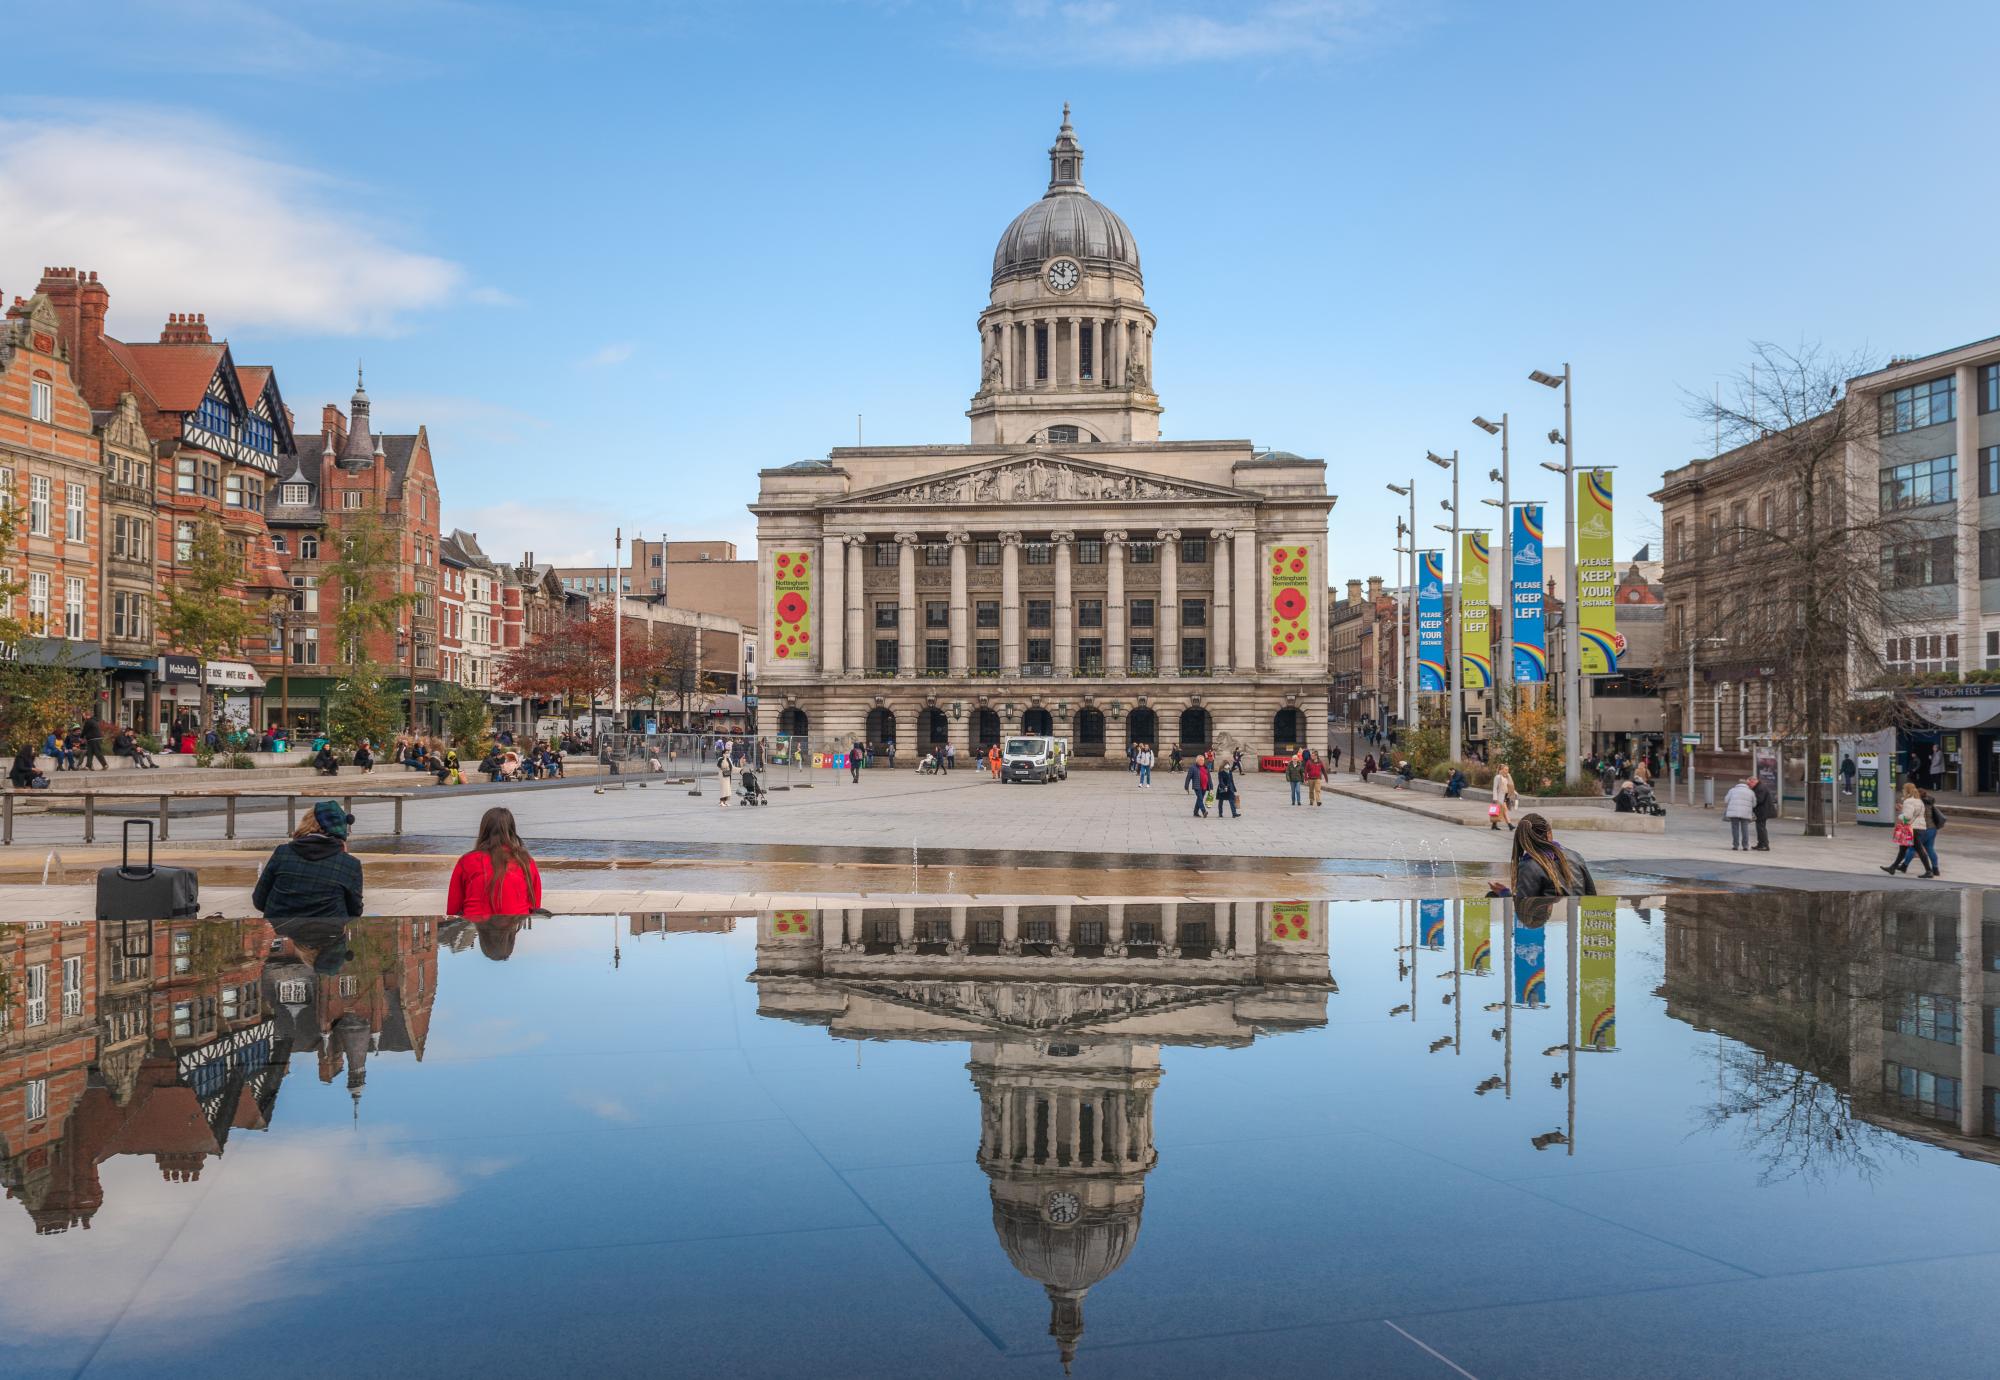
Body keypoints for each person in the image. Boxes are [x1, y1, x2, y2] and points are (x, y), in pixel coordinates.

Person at [252, 801, 364, 919]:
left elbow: (259, 901)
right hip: (328, 934)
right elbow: (355, 911)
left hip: (282, 932)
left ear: (306, 822)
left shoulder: (282, 853)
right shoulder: (350, 864)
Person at [447, 806, 543, 918]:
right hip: (513, 923)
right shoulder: (525, 860)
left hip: (476, 924)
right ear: (511, 831)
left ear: (484, 830)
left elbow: (453, 908)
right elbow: (534, 905)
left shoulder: (467, 861)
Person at [1493, 813, 1598, 897]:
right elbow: (1592, 895)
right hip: (1574, 920)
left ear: (1523, 839)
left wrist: (1505, 894)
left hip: (1550, 922)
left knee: (1491, 896)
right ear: (1549, 833)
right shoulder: (1575, 856)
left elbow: (1524, 910)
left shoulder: (1529, 866)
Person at [1882, 782, 1935, 877]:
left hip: (1912, 829)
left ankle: (1929, 871)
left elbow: (1908, 816)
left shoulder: (1908, 801)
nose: (1902, 791)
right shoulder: (1919, 801)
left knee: (1919, 850)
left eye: (1903, 789)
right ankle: (1893, 867)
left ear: (1906, 790)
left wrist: (1900, 816)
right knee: (1903, 849)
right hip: (1920, 828)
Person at [1723, 777, 1756, 851]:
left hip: (1734, 812)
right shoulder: (1750, 792)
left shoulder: (1732, 790)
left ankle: (1735, 845)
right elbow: (1754, 803)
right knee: (1745, 829)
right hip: (1746, 813)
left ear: (1738, 783)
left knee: (1735, 828)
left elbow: (1726, 800)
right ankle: (1745, 846)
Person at [1750, 773, 1777, 852]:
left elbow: (1759, 800)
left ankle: (1765, 845)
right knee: (1760, 828)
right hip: (1762, 811)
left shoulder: (1760, 788)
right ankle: (1761, 844)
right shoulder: (1758, 787)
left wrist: (1751, 802)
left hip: (1763, 811)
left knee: (1761, 828)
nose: (1749, 786)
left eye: (1749, 784)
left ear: (1754, 781)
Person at [1490, 763, 1516, 831]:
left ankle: (1494, 825)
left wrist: (1514, 793)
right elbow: (1495, 788)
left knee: (1499, 811)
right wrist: (1495, 798)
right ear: (1501, 770)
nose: (1507, 771)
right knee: (1504, 810)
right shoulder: (1498, 777)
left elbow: (1509, 787)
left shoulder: (1506, 777)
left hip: (1505, 797)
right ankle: (1510, 825)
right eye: (1505, 769)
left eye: (1508, 769)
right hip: (1499, 797)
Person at [1188, 753, 1211, 817]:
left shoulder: (1206, 767)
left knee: (1199, 799)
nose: (1202, 762)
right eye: (1200, 760)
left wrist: (1211, 786)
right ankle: (1204, 811)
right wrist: (1186, 786)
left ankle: (1195, 812)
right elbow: (1188, 777)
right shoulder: (1193, 767)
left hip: (1204, 786)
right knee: (1200, 799)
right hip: (1197, 786)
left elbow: (1209, 777)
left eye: (1203, 760)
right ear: (1197, 761)